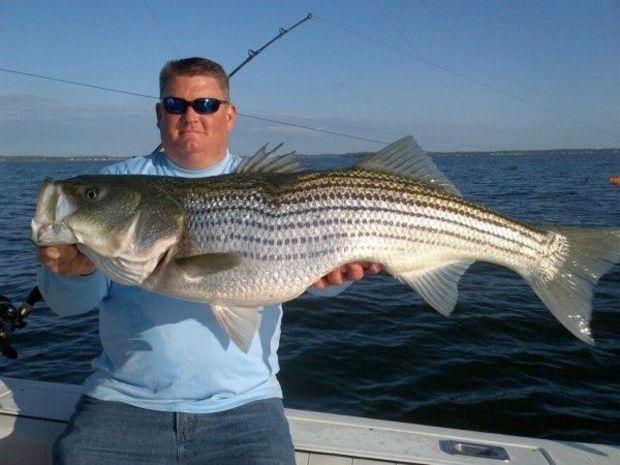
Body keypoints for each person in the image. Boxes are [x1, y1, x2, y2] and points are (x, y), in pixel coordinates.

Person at [37, 57, 381, 465]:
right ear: (158, 113)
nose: (190, 116)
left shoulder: (271, 183)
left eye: (205, 104)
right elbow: (66, 304)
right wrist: (74, 271)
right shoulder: (119, 180)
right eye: (175, 104)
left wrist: (336, 277)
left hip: (247, 407)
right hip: (123, 401)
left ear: (229, 114)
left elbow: (297, 279)